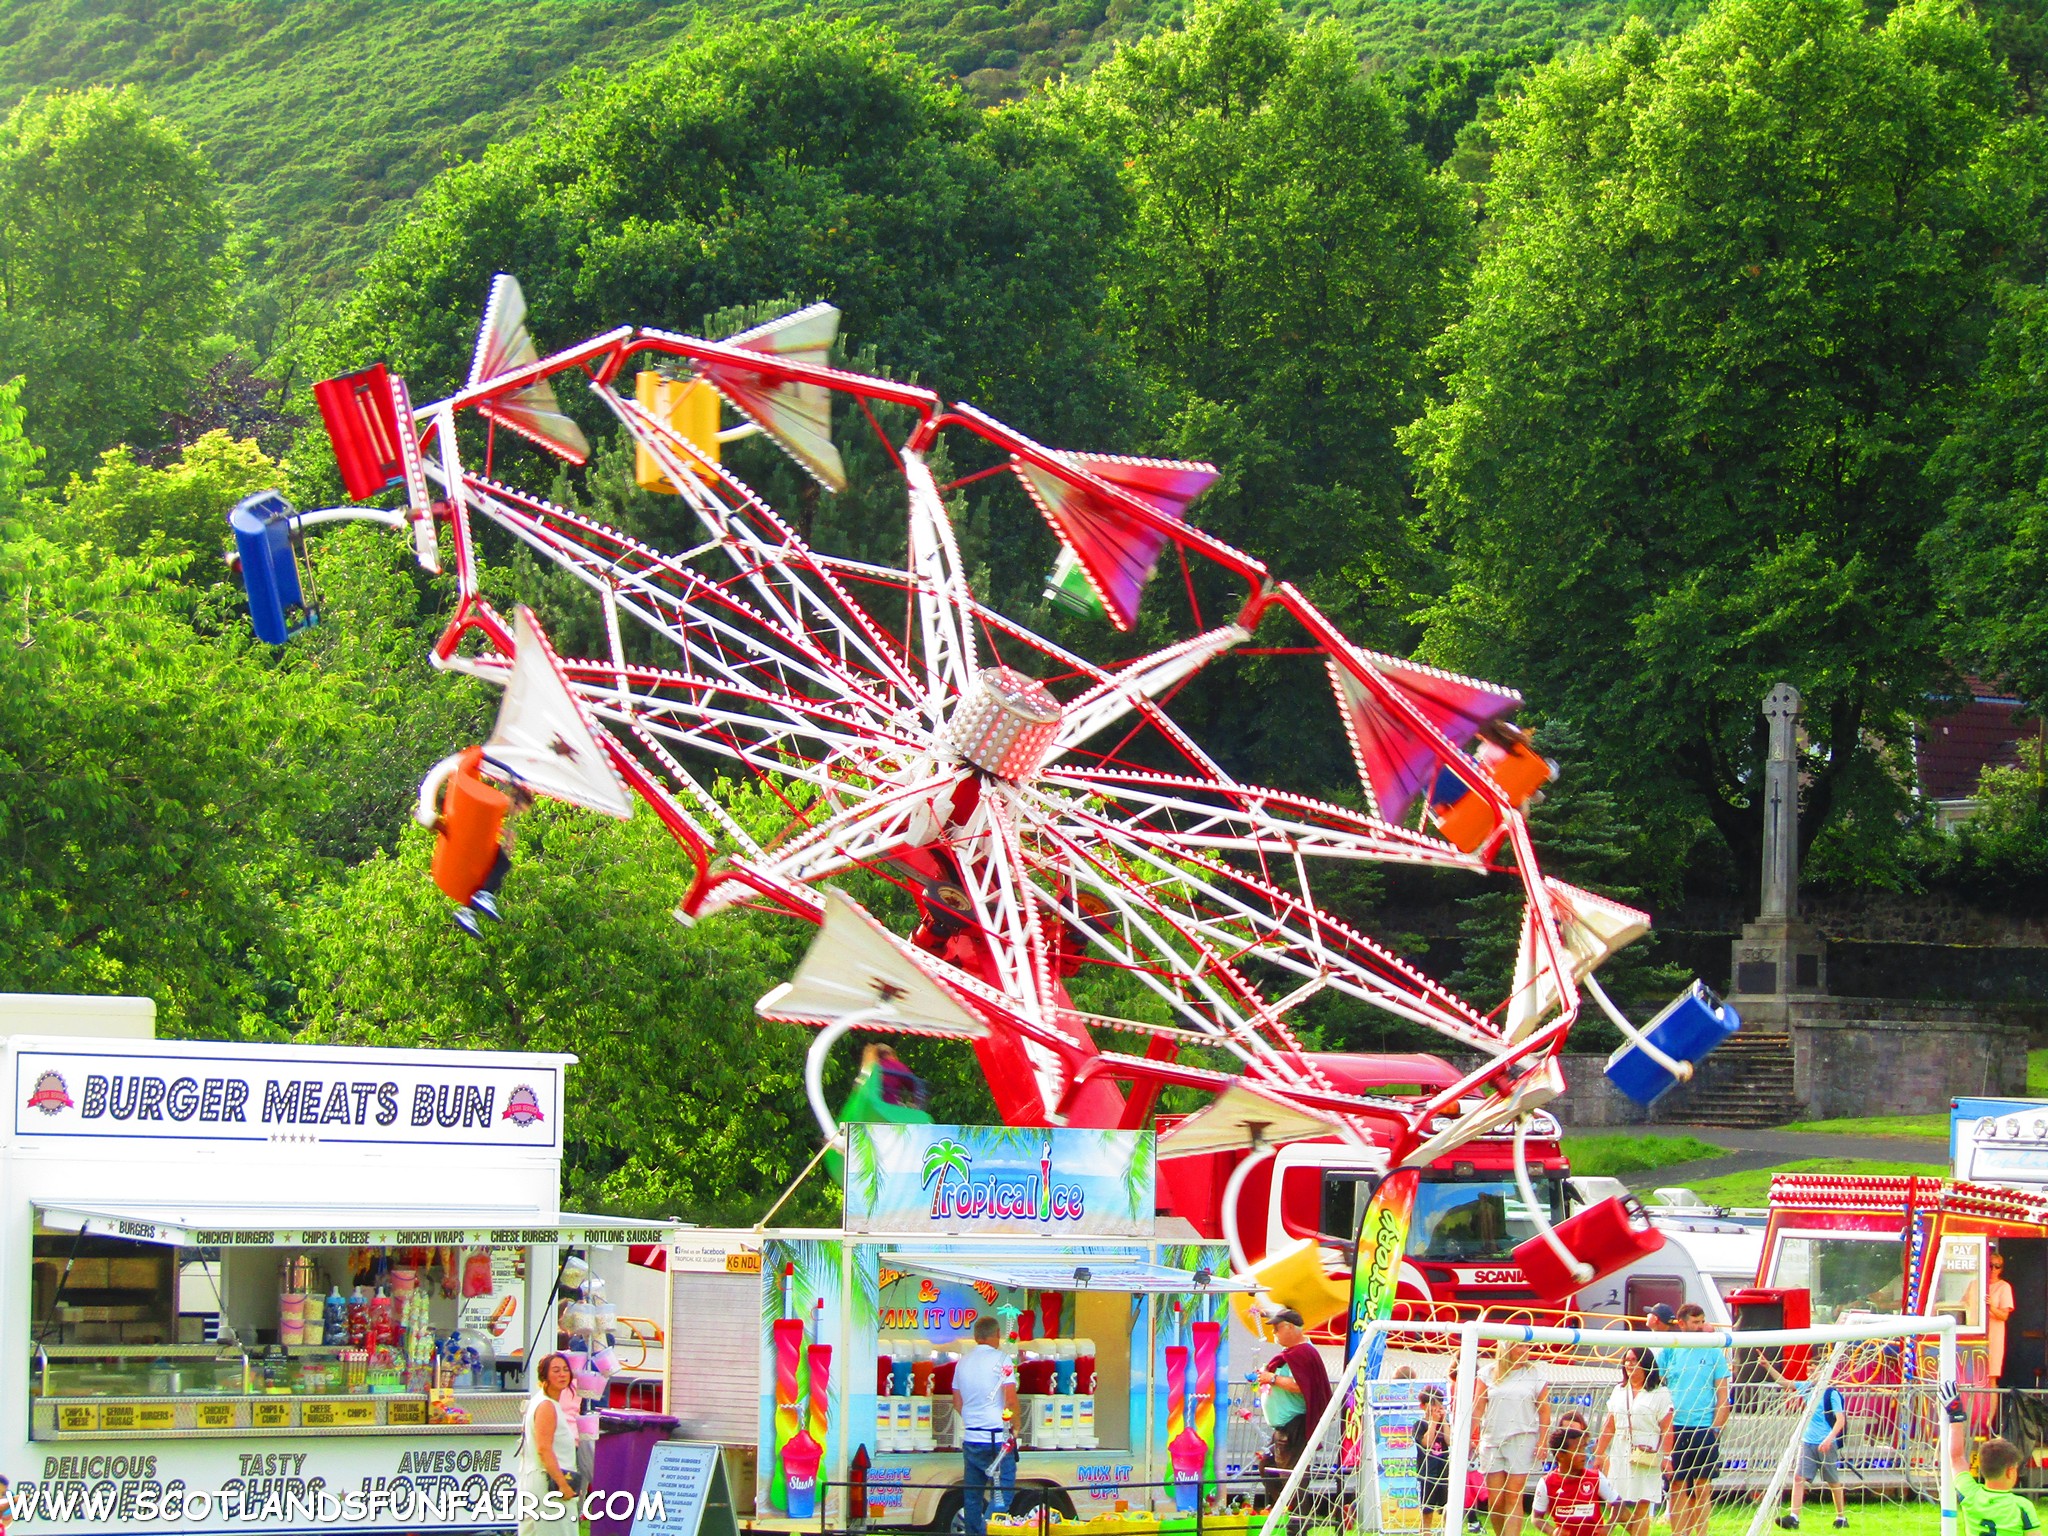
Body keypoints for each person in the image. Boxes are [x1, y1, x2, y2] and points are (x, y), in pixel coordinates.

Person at [1658, 1305, 1729, 1536]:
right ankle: (1679, 1533)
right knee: (1677, 1485)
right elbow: (1655, 1383)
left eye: (1702, 1322)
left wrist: (1716, 1429)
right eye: (1695, 1322)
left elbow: (1722, 1394)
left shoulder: (1713, 1351)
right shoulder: (1670, 1350)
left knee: (1702, 1486)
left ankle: (1701, 1533)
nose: (1700, 1327)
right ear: (1682, 1323)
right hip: (1675, 1427)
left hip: (1703, 1427)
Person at [1473, 1340, 1550, 1536]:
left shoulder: (1535, 1375)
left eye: (1527, 1346)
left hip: (1522, 1438)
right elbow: (1478, 1408)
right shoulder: (1488, 1373)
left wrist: (1543, 1442)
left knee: (1513, 1496)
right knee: (1496, 1499)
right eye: (1520, 1346)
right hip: (1492, 1439)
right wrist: (1467, 1438)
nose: (1524, 1351)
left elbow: (1544, 1411)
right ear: (1506, 1348)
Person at [952, 1315, 1019, 1536]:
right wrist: (1015, 1427)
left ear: (975, 1336)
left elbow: (957, 1403)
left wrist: (973, 1419)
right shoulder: (1002, 1360)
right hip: (996, 1438)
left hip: (971, 1437)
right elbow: (1009, 1399)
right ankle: (989, 1531)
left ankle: (974, 1532)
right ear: (998, 1334)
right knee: (1002, 1493)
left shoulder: (962, 1362)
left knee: (972, 1496)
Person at [1595, 1348, 1671, 1536]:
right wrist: (1599, 1452)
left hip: (1648, 1450)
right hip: (1621, 1449)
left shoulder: (1660, 1392)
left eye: (1634, 1360)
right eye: (1626, 1360)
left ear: (1645, 1363)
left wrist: (1667, 1457)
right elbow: (1609, 1425)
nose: (1629, 1364)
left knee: (1642, 1504)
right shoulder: (1619, 1390)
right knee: (1615, 1502)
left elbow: (1667, 1428)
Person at [1944, 1385, 2037, 1535]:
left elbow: (1956, 1458)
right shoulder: (2022, 1507)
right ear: (2010, 1472)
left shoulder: (1970, 1495)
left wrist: (1955, 1417)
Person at [1772, 1368, 1848, 1530]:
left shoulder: (1831, 1394)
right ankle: (1794, 1517)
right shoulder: (1807, 1387)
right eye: (1809, 1371)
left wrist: (1829, 1439)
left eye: (1815, 1371)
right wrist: (1766, 1366)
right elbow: (1784, 1382)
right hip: (1807, 1442)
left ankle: (1841, 1517)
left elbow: (1840, 1420)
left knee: (1833, 1481)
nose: (1811, 1375)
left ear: (1825, 1372)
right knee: (1799, 1478)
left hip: (1826, 1443)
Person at [1258, 1308, 1334, 1470]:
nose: (1274, 1333)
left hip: (1294, 1427)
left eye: (1276, 1328)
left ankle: (1293, 1496)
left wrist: (1272, 1378)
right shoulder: (1295, 1352)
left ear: (1289, 1327)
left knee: (1290, 1477)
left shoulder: (1302, 1353)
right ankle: (1281, 1497)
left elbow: (1300, 1385)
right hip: (1286, 1427)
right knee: (1266, 1467)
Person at [518, 1352, 581, 1536]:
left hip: (538, 1480)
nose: (562, 1374)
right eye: (556, 1370)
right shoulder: (546, 1406)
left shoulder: (544, 1403)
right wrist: (563, 1484)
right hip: (548, 1482)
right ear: (544, 1376)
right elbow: (544, 1448)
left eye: (565, 1370)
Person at [1532, 1424, 1614, 1536]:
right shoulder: (1546, 1483)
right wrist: (1553, 1531)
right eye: (1577, 1450)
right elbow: (1536, 1518)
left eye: (1583, 1449)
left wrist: (1608, 1527)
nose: (1583, 1454)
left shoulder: (1595, 1477)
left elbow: (1619, 1505)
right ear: (1561, 1455)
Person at [1415, 1387, 1451, 1535]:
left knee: (1447, 1507)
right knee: (1427, 1509)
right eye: (1433, 1405)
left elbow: (1450, 1442)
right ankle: (1425, 1531)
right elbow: (1427, 1443)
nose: (1437, 1409)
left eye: (1440, 1405)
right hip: (1427, 1473)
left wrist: (1443, 1422)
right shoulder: (1419, 1425)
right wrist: (1433, 1422)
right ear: (1423, 1406)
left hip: (1445, 1471)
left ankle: (1447, 1531)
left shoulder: (1445, 1424)